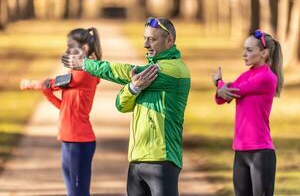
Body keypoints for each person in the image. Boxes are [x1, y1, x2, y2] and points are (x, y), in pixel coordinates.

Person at [62, 18, 191, 196]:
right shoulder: (144, 78)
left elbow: (126, 71)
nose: (146, 44)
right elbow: (120, 105)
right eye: (145, 38)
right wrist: (133, 87)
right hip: (136, 159)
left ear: (169, 40)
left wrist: (85, 64)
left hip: (163, 159)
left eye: (152, 39)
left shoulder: (175, 70)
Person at [20, 28, 102, 196]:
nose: (67, 50)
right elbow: (64, 106)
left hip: (80, 142)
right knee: (71, 191)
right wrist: (45, 92)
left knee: (78, 192)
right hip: (68, 140)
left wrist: (33, 84)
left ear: (85, 48)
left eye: (71, 46)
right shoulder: (74, 73)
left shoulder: (86, 72)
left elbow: (54, 83)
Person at [212, 29, 284, 196]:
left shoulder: (267, 77)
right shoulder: (246, 75)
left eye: (249, 50)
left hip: (260, 152)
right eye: (244, 49)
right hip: (241, 151)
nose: (244, 54)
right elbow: (221, 98)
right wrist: (221, 88)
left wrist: (219, 82)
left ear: (264, 53)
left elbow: (234, 91)